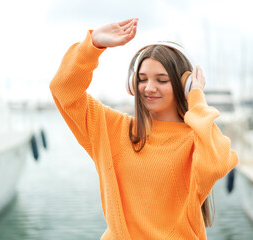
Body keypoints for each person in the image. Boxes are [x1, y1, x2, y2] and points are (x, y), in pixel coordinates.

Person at [49, 18, 238, 240]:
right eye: (142, 79)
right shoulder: (114, 129)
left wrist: (196, 98)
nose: (149, 88)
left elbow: (217, 163)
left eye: (161, 80)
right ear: (132, 84)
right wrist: (93, 44)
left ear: (183, 85)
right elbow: (63, 89)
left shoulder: (194, 140)